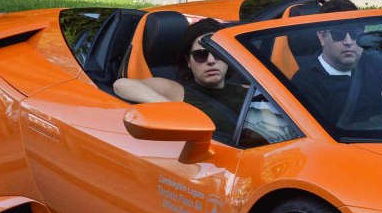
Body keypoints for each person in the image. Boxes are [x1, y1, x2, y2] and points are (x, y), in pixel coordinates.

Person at [114, 18, 293, 144]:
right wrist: (175, 110)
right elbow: (122, 85)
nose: (211, 60)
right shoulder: (177, 92)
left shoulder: (250, 89)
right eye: (200, 55)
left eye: (218, 53)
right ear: (188, 61)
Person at [289, 0, 382, 122]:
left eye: (355, 33)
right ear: (322, 37)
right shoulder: (305, 82)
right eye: (338, 34)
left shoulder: (374, 60)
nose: (348, 41)